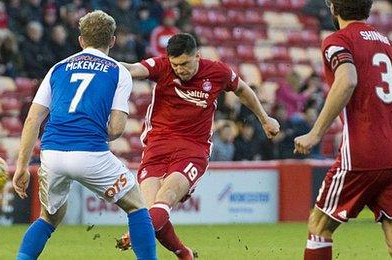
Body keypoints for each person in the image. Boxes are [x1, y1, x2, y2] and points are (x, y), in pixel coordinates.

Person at [116, 33, 280, 259]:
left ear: (197, 56)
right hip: (157, 146)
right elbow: (133, 69)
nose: (179, 70)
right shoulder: (162, 67)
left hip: (193, 149)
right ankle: (185, 254)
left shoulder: (217, 71)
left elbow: (242, 89)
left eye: (184, 64)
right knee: (148, 213)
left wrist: (264, 119)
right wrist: (101, 63)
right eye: (175, 65)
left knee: (165, 200)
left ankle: (137, 235)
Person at [11, 11, 157, 260]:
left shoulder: (57, 69)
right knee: (136, 205)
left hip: (52, 154)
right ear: (112, 40)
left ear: (80, 40)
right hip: (90, 153)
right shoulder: (118, 71)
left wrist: (22, 166)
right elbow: (116, 128)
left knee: (49, 217)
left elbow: (33, 119)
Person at [293, 1, 392, 259]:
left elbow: (347, 80)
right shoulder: (390, 45)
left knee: (319, 226)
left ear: (332, 8)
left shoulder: (338, 40)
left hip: (361, 154)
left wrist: (315, 133)